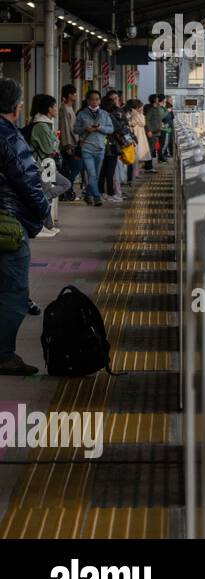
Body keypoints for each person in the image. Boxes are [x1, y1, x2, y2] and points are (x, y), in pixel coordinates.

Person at [0, 77, 51, 376]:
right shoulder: (9, 136)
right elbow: (28, 181)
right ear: (16, 107)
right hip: (7, 226)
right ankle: (4, 355)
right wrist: (44, 211)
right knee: (13, 293)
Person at [25, 94, 62, 238]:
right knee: (47, 194)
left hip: (46, 164)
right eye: (54, 106)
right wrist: (56, 140)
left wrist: (54, 141)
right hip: (41, 165)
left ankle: (47, 225)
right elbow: (49, 148)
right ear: (48, 109)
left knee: (49, 194)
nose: (56, 109)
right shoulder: (41, 125)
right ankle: (42, 226)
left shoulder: (46, 124)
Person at [73, 90, 114, 206]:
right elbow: (75, 129)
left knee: (95, 174)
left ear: (100, 101)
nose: (94, 101)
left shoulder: (105, 114)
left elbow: (111, 129)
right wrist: (85, 129)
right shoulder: (82, 114)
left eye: (97, 99)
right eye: (92, 99)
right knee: (92, 174)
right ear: (87, 101)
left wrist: (100, 128)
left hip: (100, 148)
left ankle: (88, 195)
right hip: (86, 147)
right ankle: (97, 197)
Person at [57, 84, 80, 202]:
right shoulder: (64, 109)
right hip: (69, 145)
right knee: (73, 168)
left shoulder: (70, 108)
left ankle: (67, 191)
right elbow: (65, 128)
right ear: (70, 95)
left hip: (74, 143)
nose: (76, 95)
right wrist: (67, 145)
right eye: (74, 93)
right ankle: (65, 191)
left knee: (70, 169)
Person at [127, 99, 151, 175]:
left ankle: (135, 172)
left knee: (135, 155)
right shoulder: (137, 114)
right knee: (136, 155)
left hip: (136, 135)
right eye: (141, 107)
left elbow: (132, 123)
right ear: (137, 107)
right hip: (138, 136)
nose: (142, 108)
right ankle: (135, 173)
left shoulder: (132, 113)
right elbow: (142, 123)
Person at [145, 94, 163, 170]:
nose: (158, 99)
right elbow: (147, 120)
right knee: (150, 149)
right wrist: (148, 130)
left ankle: (149, 166)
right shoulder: (151, 109)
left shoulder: (157, 108)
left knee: (152, 149)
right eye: (157, 98)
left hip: (156, 132)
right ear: (154, 100)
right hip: (152, 132)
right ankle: (149, 166)